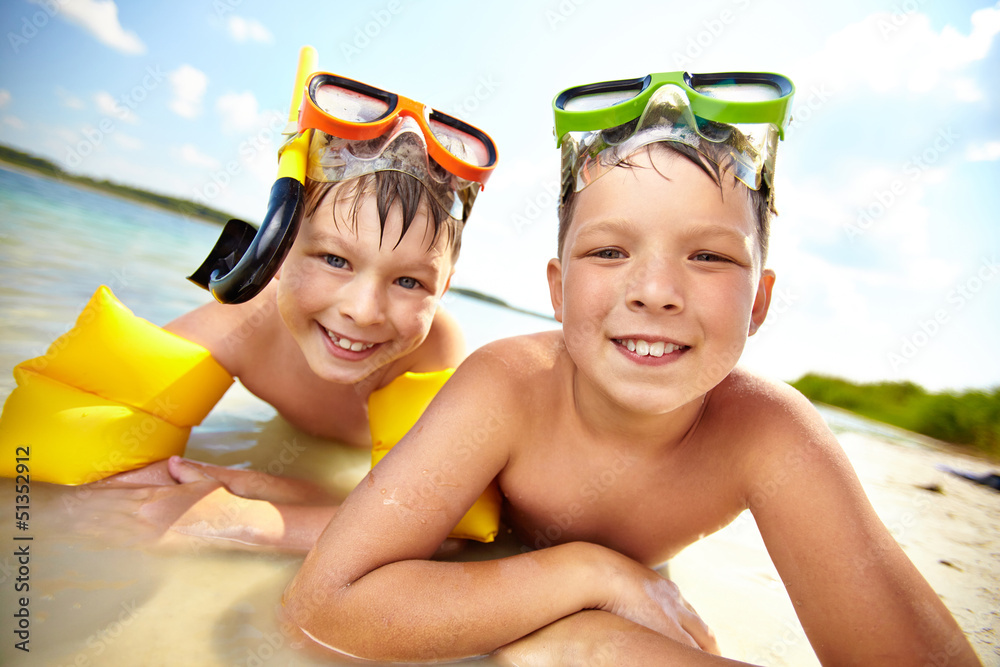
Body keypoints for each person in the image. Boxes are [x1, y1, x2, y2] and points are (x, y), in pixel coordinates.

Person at [280, 71, 982, 665]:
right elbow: (323, 607)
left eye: (708, 256)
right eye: (610, 252)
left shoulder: (770, 437)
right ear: (557, 290)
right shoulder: (508, 386)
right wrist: (591, 573)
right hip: (487, 569)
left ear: (760, 301)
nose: (654, 289)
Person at [3, 69, 498, 553]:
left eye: (409, 281)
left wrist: (249, 518)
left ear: (444, 288)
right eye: (334, 259)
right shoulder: (244, 321)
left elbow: (439, 525)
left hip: (353, 463)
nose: (364, 311)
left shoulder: (431, 349)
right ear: (275, 250)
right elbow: (83, 451)